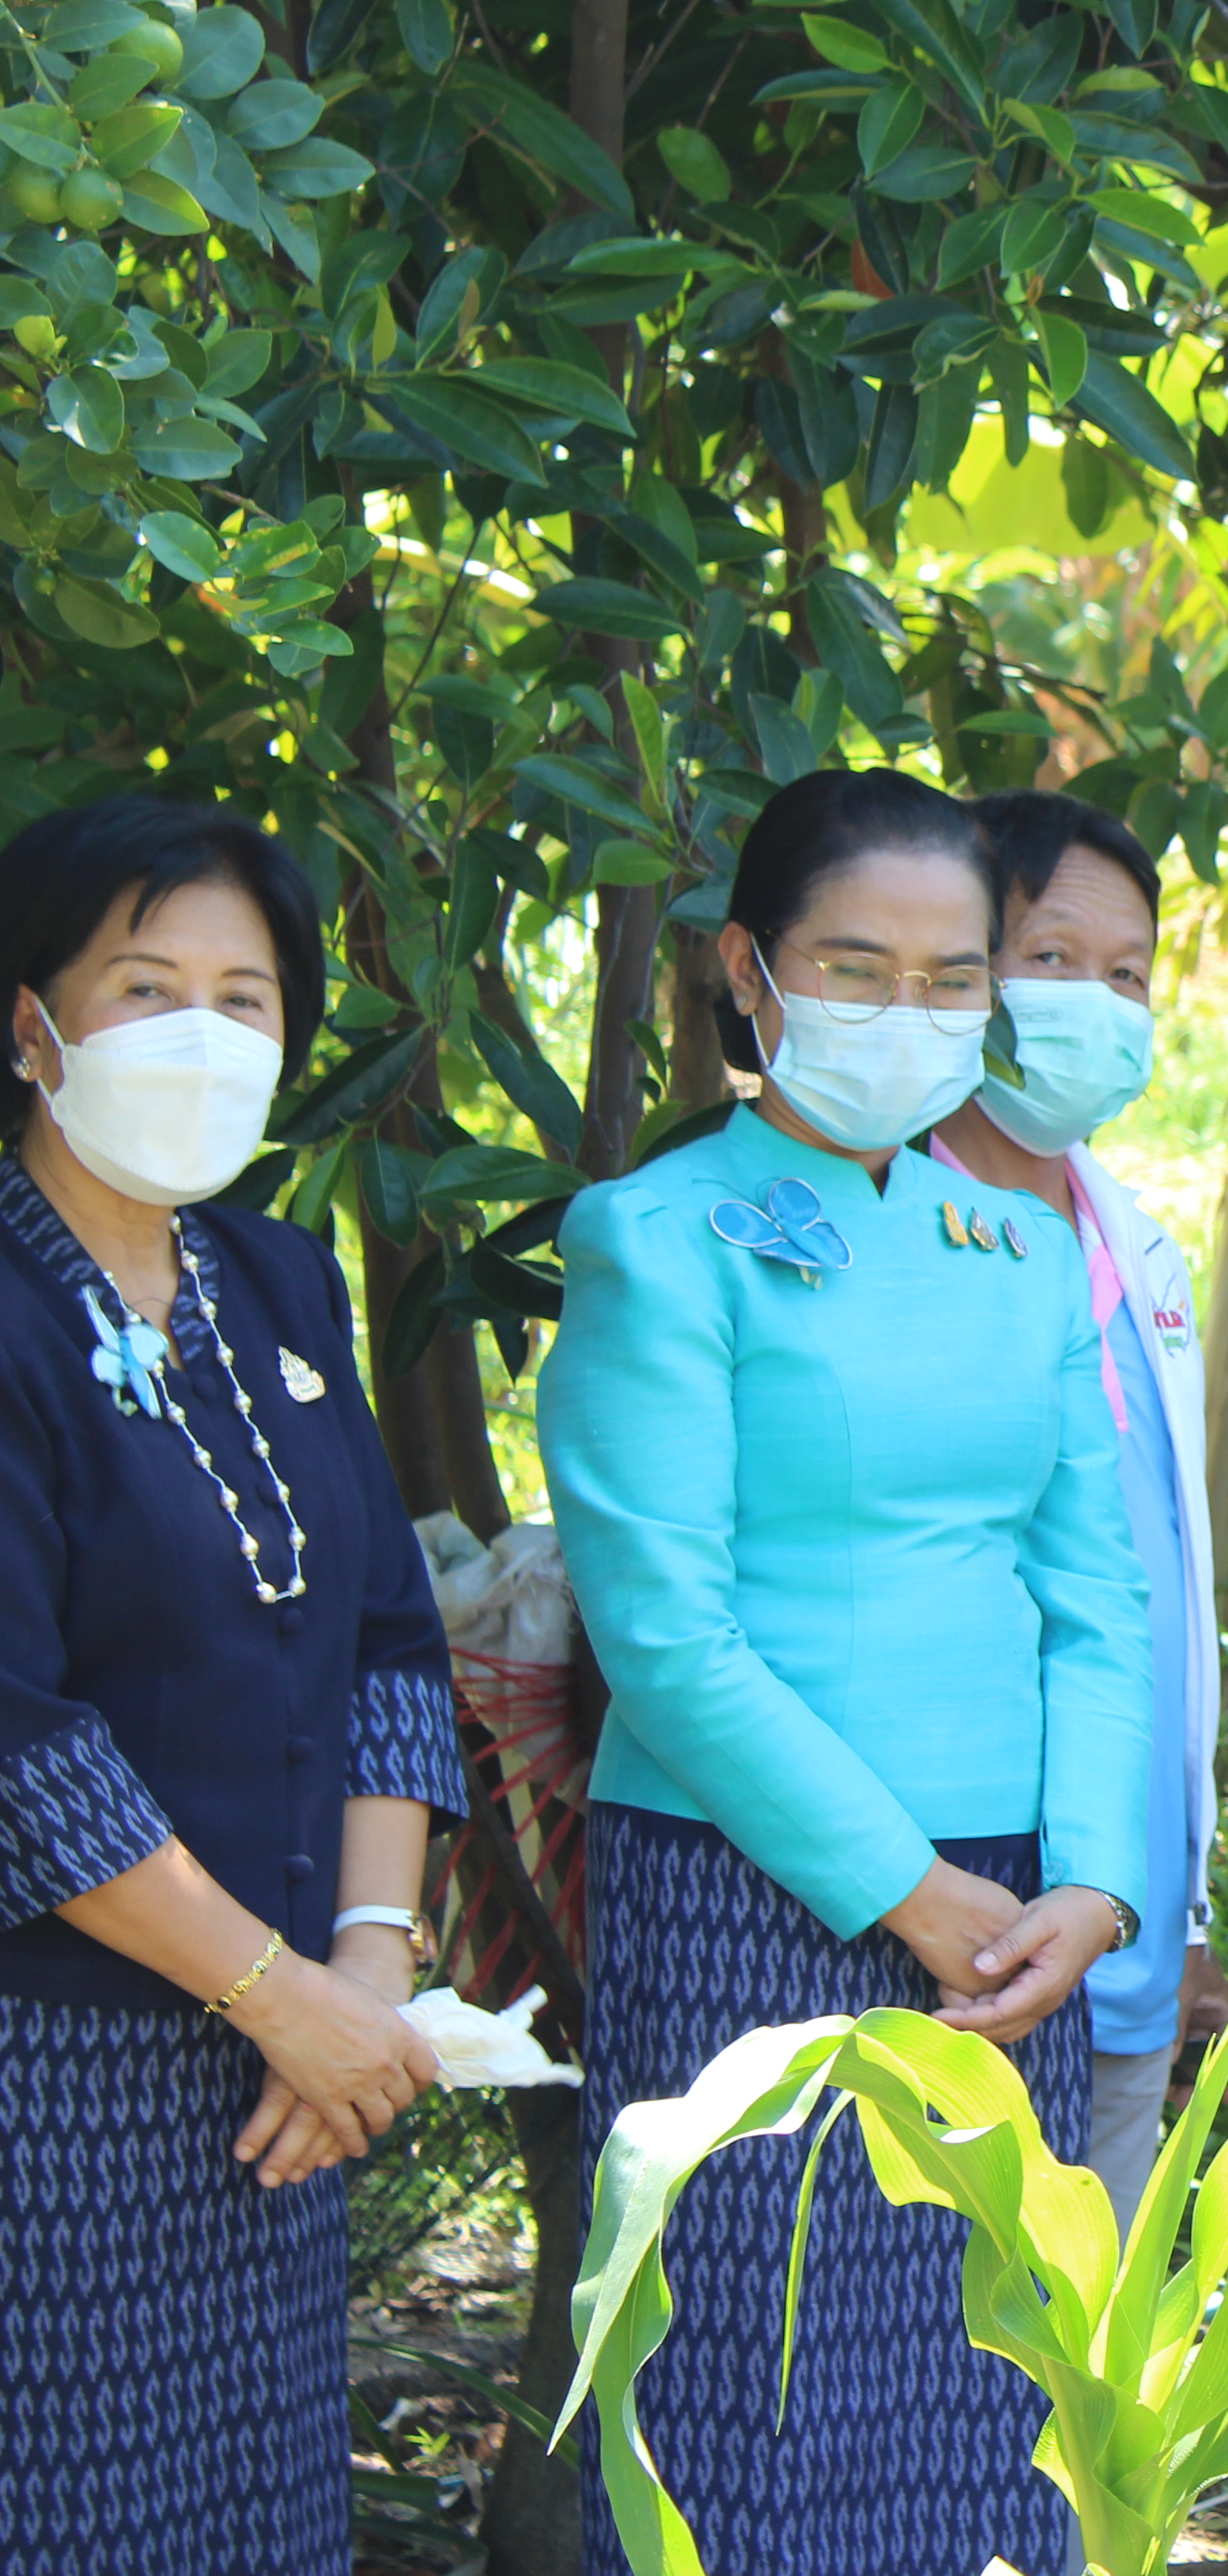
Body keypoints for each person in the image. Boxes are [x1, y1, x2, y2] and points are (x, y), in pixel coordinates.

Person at [542, 767, 1149, 2576]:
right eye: (854, 967)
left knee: (985, 2410)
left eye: (952, 979)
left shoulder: (1028, 1251)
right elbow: (664, 1632)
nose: (907, 1015)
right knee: (752, 2410)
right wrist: (907, 1889)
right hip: (749, 1899)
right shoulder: (656, 1239)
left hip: (1016, 1932)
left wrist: (1097, 1887)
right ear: (750, 969)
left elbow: (1101, 1593)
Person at [0, 796, 466, 2574]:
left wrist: (367, 1965)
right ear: (28, 1024)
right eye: (142, 988)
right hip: (54, 2072)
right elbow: (18, 1742)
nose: (200, 1037)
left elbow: (388, 1640)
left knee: (256, 2522)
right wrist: (281, 1994)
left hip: (291, 2083)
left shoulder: (275, 1277)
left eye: (244, 998)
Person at [930, 791, 1228, 2230]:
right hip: (950, 1923)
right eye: (1052, 961)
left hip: (1125, 1933)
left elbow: (1170, 1591)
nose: (1096, 1009)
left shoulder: (1138, 1247)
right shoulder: (872, 1225)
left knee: (1074, 2384)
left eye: (1128, 979)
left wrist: (1177, 1896)